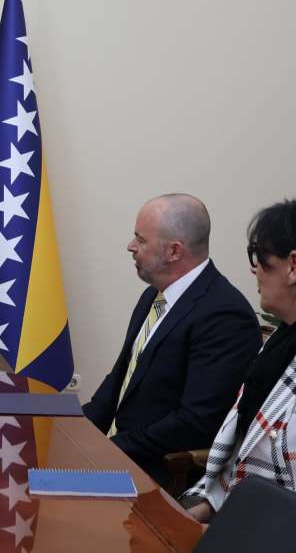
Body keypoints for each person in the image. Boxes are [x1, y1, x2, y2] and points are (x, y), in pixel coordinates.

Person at [184, 192, 296, 523]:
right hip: (238, 525)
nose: (254, 270)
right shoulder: (287, 340)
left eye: (260, 257)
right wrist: (200, 508)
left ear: (293, 266)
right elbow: (241, 462)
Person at [82, 194, 261, 488]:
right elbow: (121, 379)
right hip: (117, 456)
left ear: (174, 251)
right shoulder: (154, 295)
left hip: (156, 474)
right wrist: (78, 432)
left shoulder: (224, 315)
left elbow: (195, 422)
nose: (131, 246)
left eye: (141, 240)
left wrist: (110, 450)